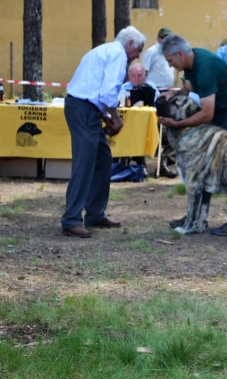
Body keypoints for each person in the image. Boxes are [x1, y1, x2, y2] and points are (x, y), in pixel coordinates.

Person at [158, 34, 227, 237]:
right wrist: (173, 95)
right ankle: (196, 217)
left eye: (170, 60)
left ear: (180, 54)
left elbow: (207, 113)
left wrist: (176, 124)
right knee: (203, 166)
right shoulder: (191, 64)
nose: (170, 65)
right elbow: (187, 89)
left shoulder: (205, 68)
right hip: (221, 113)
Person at [61, 26, 146, 238]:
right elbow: (108, 94)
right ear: (129, 45)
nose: (138, 56)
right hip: (83, 110)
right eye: (138, 50)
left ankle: (95, 213)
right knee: (85, 163)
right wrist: (115, 118)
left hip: (84, 108)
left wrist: (107, 117)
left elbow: (96, 92)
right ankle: (71, 219)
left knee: (102, 158)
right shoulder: (117, 55)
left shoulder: (104, 50)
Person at [117, 63, 167, 177]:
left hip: (151, 124)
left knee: (169, 133)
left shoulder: (151, 88)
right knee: (133, 134)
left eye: (140, 75)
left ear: (145, 76)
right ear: (129, 76)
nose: (137, 79)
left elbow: (158, 107)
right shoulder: (123, 88)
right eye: (133, 76)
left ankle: (162, 163)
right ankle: (140, 164)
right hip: (129, 125)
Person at [141, 27, 178, 177]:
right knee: (153, 129)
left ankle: (164, 162)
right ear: (158, 38)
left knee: (170, 128)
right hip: (154, 93)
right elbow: (144, 73)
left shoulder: (173, 52)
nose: (166, 41)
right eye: (164, 38)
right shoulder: (151, 52)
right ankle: (143, 164)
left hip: (168, 94)